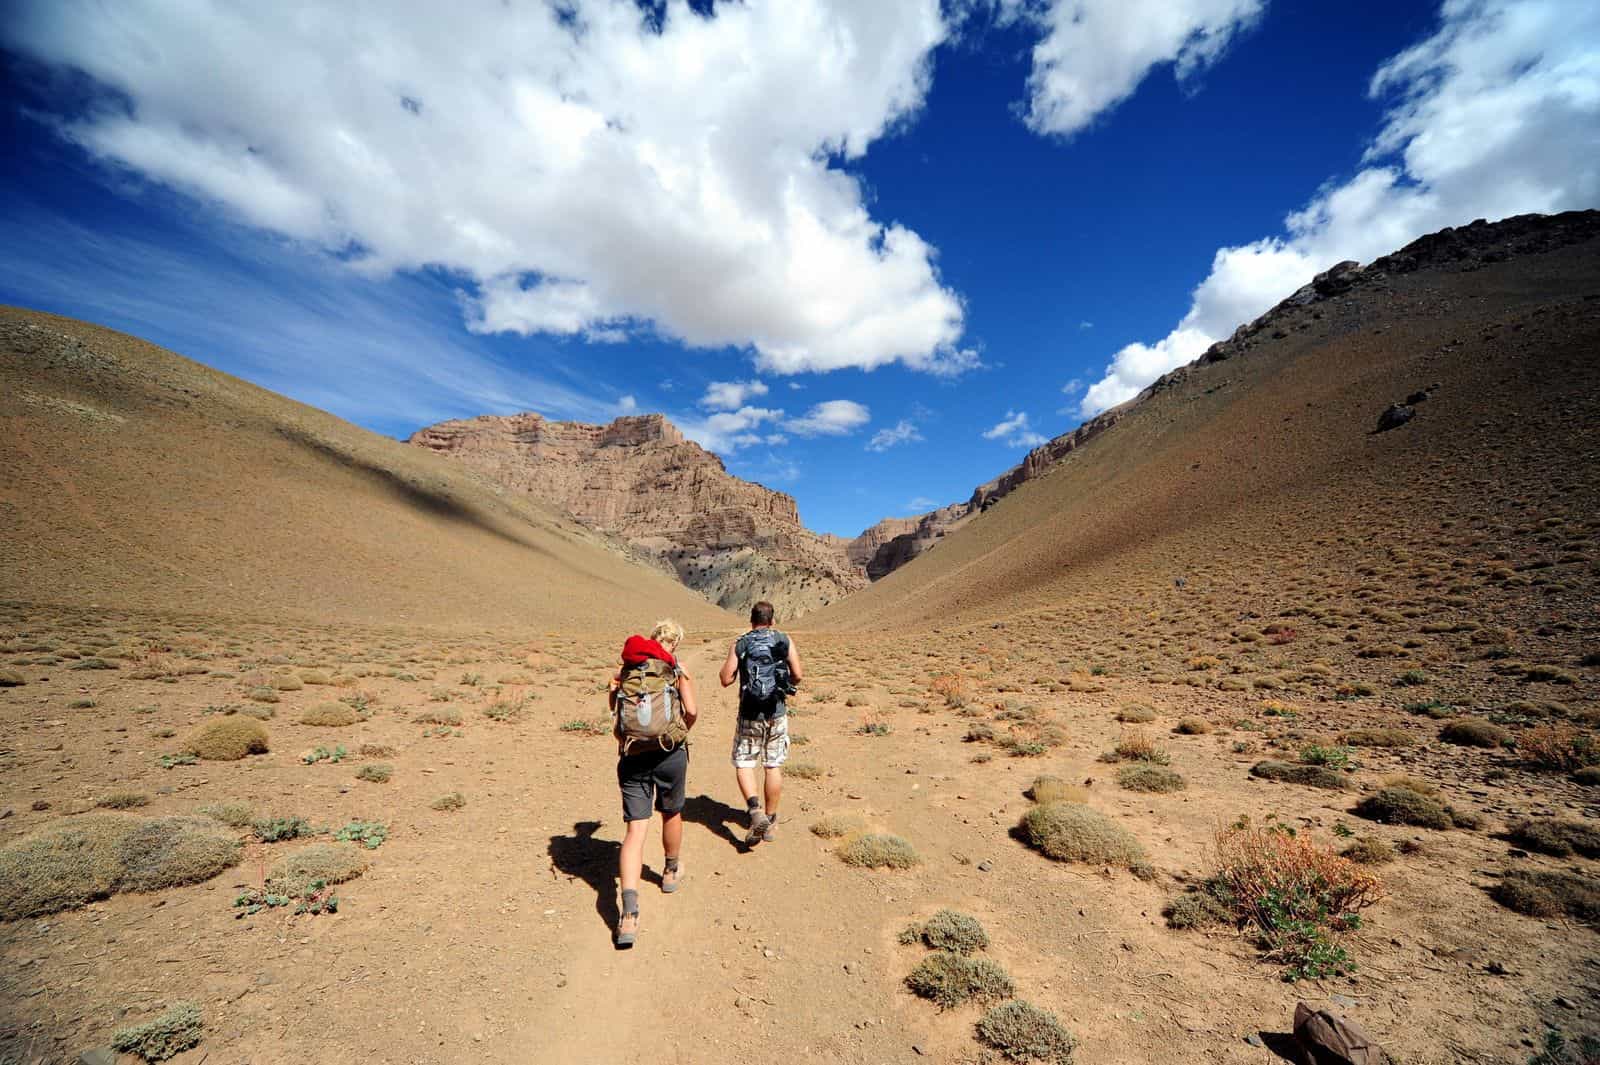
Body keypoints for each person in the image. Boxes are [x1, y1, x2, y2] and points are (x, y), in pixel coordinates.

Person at [608, 619, 697, 948]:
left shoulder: (627, 669)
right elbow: (692, 710)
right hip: (670, 753)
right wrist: (676, 732)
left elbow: (615, 715)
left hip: (632, 756)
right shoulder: (675, 668)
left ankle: (629, 914)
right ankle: (671, 872)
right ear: (675, 643)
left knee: (635, 831)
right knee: (671, 813)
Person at [718, 601, 803, 845]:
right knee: (772, 765)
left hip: (749, 713)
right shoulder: (784, 640)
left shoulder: (742, 642)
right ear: (772, 620)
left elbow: (725, 679)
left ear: (751, 620)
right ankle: (771, 820)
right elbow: (798, 674)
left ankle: (755, 811)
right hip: (776, 712)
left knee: (744, 762)